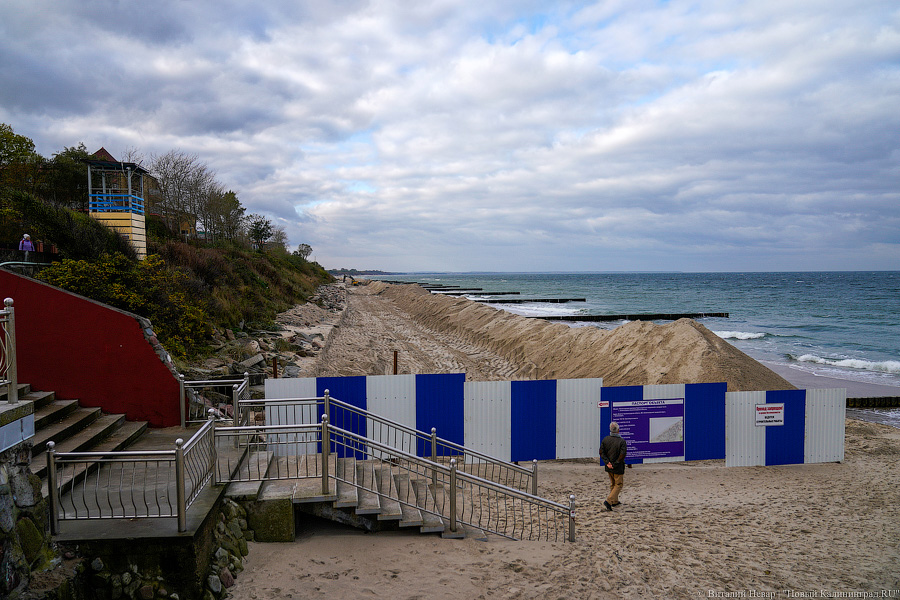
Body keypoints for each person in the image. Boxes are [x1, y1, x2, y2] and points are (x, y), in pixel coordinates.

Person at [600, 421, 627, 511]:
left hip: (609, 466)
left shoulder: (605, 440)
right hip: (617, 467)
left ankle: (614, 501)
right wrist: (615, 463)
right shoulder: (622, 441)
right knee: (618, 484)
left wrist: (607, 463)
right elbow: (622, 454)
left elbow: (601, 452)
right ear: (618, 430)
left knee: (613, 484)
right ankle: (609, 501)